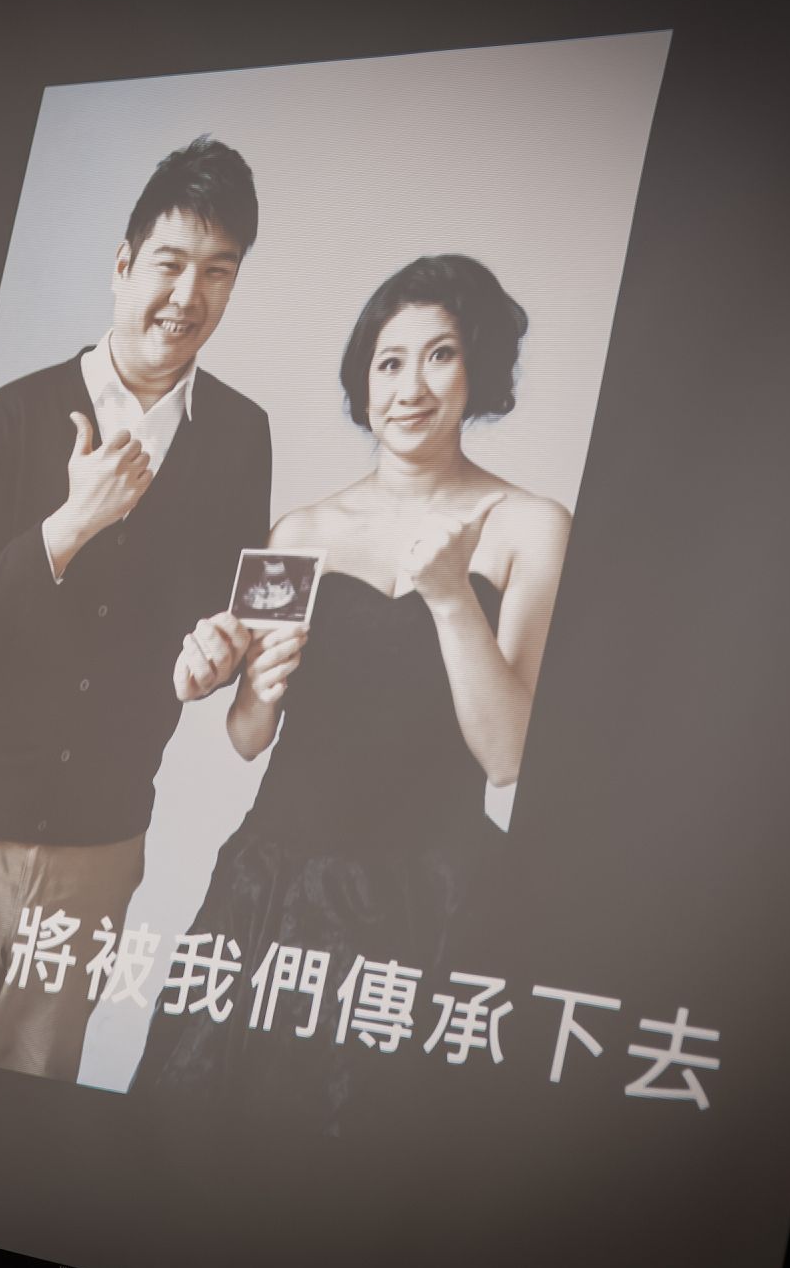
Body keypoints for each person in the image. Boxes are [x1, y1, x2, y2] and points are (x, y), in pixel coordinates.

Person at [0, 137, 274, 1082]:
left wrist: (218, 659)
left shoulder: (242, 437)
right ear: (123, 264)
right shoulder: (16, 415)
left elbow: (225, 620)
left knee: (22, 1129)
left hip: (101, 852)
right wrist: (68, 527)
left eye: (218, 271)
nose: (189, 295)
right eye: (170, 263)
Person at [134, 253, 570, 1134]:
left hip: (430, 901)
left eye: (439, 355)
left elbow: (507, 756)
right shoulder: (301, 529)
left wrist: (451, 598)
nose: (410, 387)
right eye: (388, 361)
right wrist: (251, 684)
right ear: (363, 381)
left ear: (476, 367)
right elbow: (248, 735)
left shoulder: (531, 527)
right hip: (274, 888)